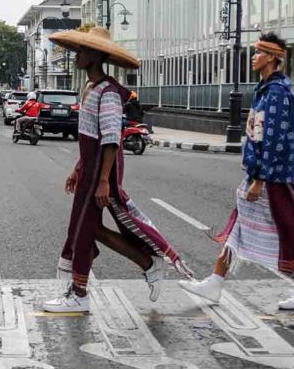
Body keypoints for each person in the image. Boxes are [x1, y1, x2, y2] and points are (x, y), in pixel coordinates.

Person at [42, 27, 193, 313]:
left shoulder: (109, 93)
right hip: (91, 168)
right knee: (88, 228)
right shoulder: (89, 88)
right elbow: (89, 135)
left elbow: (111, 138)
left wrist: (102, 181)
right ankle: (147, 264)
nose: (77, 56)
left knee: (85, 229)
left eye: (82, 51)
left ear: (96, 56)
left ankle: (80, 294)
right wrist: (78, 169)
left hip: (102, 169)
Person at [179, 33, 294, 311]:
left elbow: (274, 140)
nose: (254, 56)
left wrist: (261, 180)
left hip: (272, 179)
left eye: (259, 52)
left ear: (272, 58)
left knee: (284, 232)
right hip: (260, 175)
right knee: (238, 229)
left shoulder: (277, 93)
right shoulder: (266, 89)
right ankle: (215, 281)